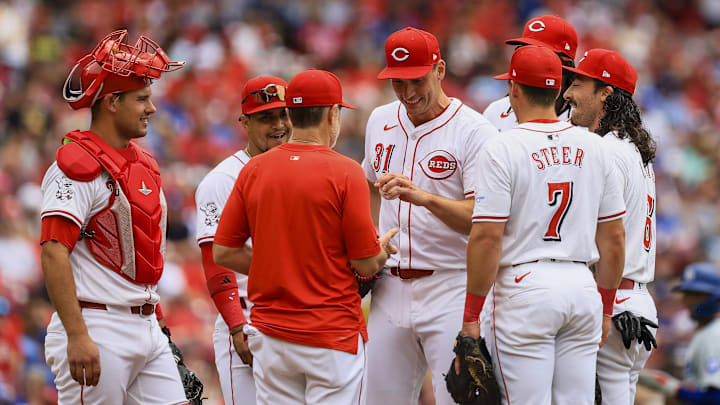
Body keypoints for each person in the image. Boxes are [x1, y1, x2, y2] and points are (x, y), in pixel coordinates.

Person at [213, 69, 398, 405]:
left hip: (271, 335)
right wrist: (381, 253)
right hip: (331, 334)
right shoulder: (346, 171)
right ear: (332, 114)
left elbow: (223, 252)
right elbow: (365, 264)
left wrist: (279, 266)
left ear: (292, 115)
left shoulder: (254, 169)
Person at [461, 45, 626, 405]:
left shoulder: (503, 146)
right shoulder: (594, 146)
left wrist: (471, 315)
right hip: (582, 286)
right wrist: (607, 306)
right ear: (558, 91)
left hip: (525, 286)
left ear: (514, 90)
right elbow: (614, 238)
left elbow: (487, 238)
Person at [40, 30, 187, 404]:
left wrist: (155, 318)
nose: (151, 109)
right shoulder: (77, 166)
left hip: (145, 323)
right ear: (111, 102)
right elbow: (54, 251)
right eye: (142, 99)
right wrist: (76, 335)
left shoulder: (143, 164)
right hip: (96, 325)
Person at [361, 27, 498, 405]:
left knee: (458, 399)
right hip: (389, 287)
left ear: (439, 70)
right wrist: (370, 236)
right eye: (398, 83)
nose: (407, 93)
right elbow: (366, 185)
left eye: (416, 80)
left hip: (450, 284)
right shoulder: (380, 120)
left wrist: (425, 198)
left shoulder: (474, 131)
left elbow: (482, 219)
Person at [563, 48, 659, 404]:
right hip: (634, 299)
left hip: (613, 302)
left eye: (578, 83)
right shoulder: (633, 150)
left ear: (605, 92)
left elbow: (603, 237)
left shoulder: (604, 150)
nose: (568, 93)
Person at [195, 76, 290, 405]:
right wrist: (237, 325)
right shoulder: (221, 180)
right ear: (245, 122)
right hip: (248, 318)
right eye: (266, 118)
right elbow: (214, 260)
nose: (278, 125)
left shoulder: (304, 170)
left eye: (284, 115)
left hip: (298, 319)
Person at [639, 263, 720, 404]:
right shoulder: (705, 331)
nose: (685, 300)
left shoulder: (714, 334)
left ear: (713, 297)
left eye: (694, 295)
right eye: (686, 294)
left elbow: (716, 397)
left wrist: (675, 390)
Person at [483, 14, 578, 131]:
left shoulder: (585, 119)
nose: (530, 58)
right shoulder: (496, 111)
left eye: (542, 52)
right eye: (523, 49)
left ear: (567, 65)